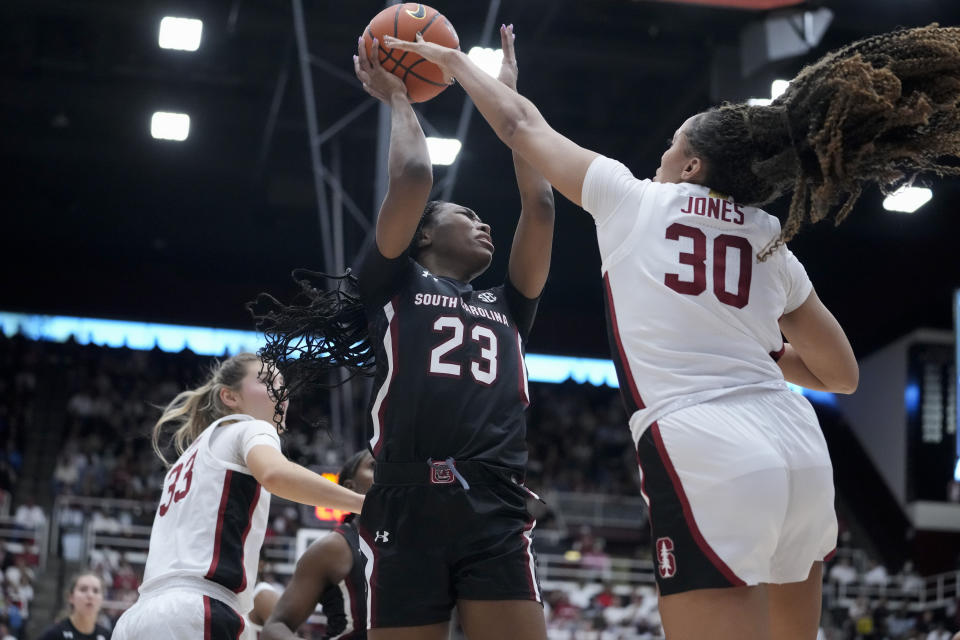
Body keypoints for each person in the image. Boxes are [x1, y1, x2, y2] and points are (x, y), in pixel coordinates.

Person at [386, 23, 960, 640]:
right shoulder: (771, 239)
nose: (658, 156)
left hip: (706, 444)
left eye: (669, 146)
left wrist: (457, 63)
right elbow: (840, 374)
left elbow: (522, 128)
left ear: (690, 165)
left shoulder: (635, 201)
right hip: (798, 448)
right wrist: (759, 349)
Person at [253, 28, 555, 640]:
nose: (483, 222)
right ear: (422, 235)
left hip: (493, 502)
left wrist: (509, 104)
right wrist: (398, 96)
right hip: (406, 500)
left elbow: (541, 204)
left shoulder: (510, 303)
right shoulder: (392, 284)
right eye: (465, 214)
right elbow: (415, 173)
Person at [112, 353, 365, 640]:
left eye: (282, 383)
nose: (280, 391)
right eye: (267, 381)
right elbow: (274, 474)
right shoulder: (251, 427)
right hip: (197, 611)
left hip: (138, 617)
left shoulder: (187, 459)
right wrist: (364, 503)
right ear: (230, 397)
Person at [262, 449, 375, 640]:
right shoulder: (335, 547)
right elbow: (275, 626)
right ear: (350, 487)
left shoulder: (420, 542)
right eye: (374, 466)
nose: (386, 472)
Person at [37, 571, 111, 640]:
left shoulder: (108, 636)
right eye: (83, 589)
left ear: (102, 599)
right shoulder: (54, 634)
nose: (90, 595)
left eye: (95, 591)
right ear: (71, 597)